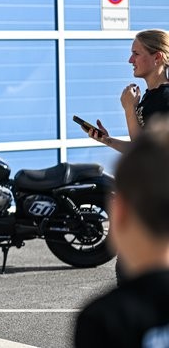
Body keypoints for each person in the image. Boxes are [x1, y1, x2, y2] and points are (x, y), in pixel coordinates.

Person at [74, 120, 169, 347]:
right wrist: (108, 140)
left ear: (119, 213)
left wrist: (128, 109)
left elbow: (148, 158)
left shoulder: (105, 320)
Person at [88, 29, 169, 152]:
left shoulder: (165, 98)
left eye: (136, 54)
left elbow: (143, 152)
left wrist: (129, 109)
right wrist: (107, 140)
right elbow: (141, 147)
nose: (130, 60)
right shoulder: (150, 96)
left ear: (157, 57)